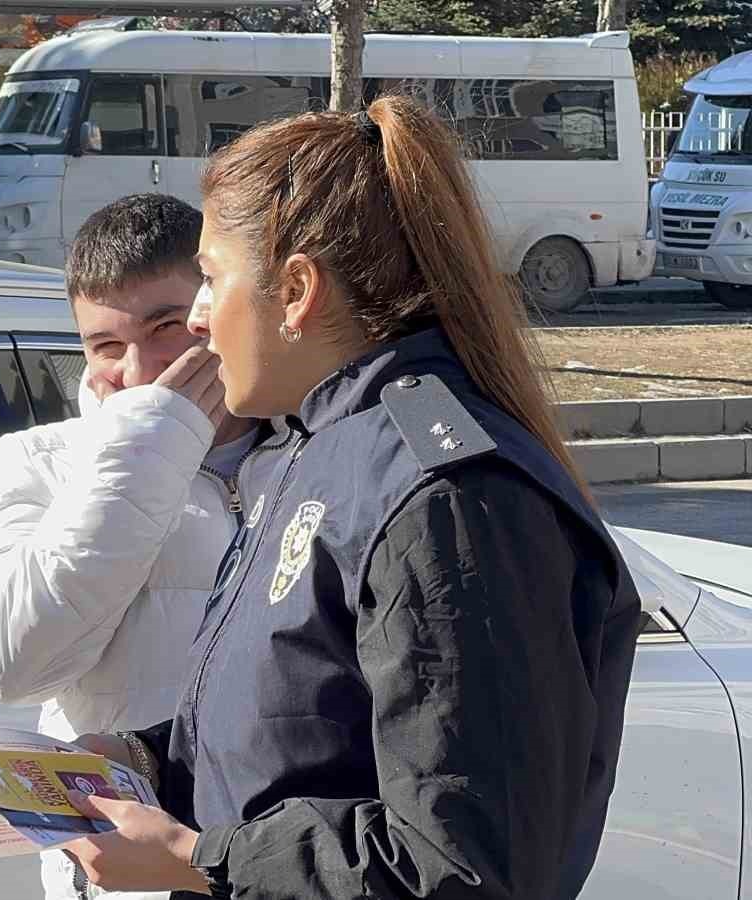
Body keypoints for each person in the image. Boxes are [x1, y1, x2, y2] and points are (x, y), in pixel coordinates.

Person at [59, 96, 643, 899]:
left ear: (297, 289)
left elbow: (464, 862)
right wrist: (145, 761)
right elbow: (300, 732)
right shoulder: (312, 448)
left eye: (212, 279)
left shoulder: (445, 496)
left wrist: (201, 860)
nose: (198, 318)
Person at [0, 193, 257, 900]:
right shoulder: (33, 463)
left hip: (290, 861)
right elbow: (13, 663)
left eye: (166, 328)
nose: (138, 370)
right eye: (106, 347)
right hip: (129, 880)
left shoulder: (307, 451)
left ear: (214, 309)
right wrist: (154, 442)